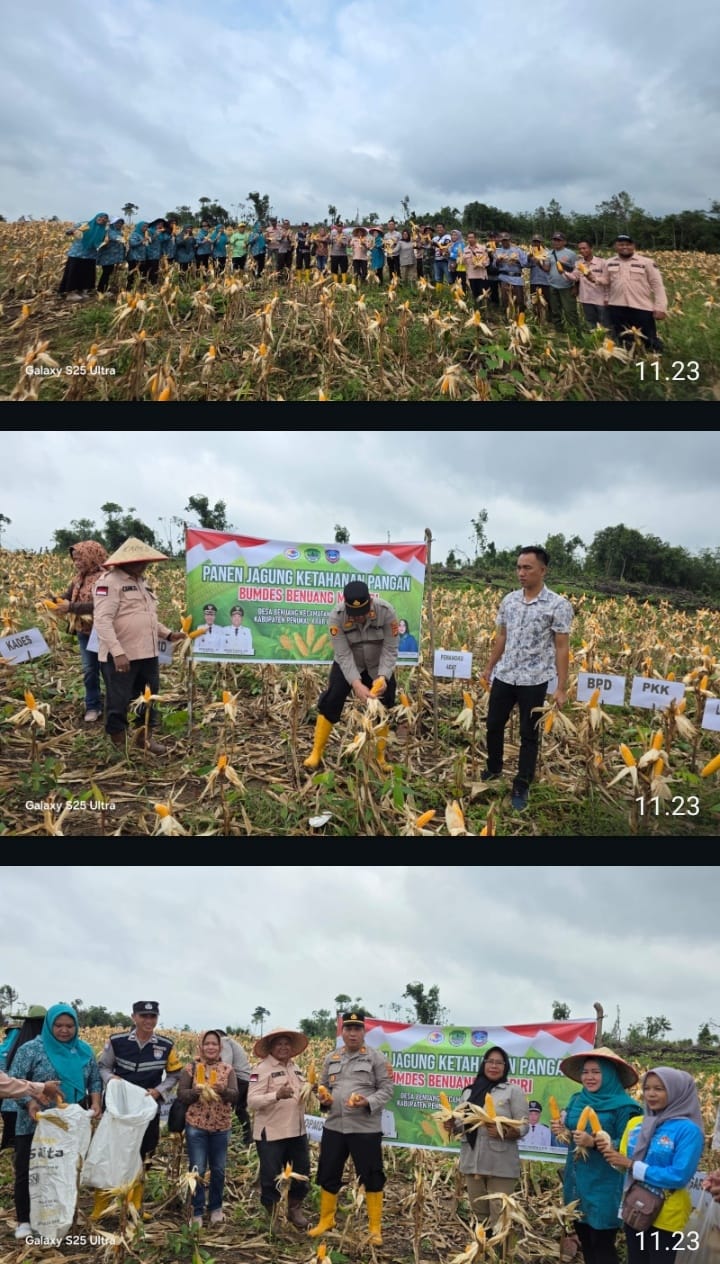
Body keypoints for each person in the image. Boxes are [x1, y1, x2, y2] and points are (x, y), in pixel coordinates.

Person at [481, 546, 573, 811]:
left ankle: (522, 783)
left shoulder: (558, 605)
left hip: (534, 680)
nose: (521, 573)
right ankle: (494, 767)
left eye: (527, 568)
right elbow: (502, 636)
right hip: (505, 674)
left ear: (542, 570)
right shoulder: (509, 600)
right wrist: (489, 667)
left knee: (528, 734)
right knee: (493, 724)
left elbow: (562, 647)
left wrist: (561, 687)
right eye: (519, 567)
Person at [10, 1004, 102, 1241]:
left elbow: (94, 1079)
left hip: (69, 1125)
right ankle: (24, 1220)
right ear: (49, 1025)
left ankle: (60, 1215)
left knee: (64, 1170)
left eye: (69, 1026)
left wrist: (95, 1102)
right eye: (58, 1025)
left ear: (76, 1027)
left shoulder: (83, 1050)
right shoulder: (31, 1049)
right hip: (34, 1122)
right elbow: (15, 1082)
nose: (64, 1030)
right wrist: (29, 1103)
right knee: (29, 1170)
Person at [596, 1067, 705, 1263]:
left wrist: (632, 1165)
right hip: (635, 1210)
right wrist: (612, 1156)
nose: (651, 1094)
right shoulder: (636, 1124)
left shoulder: (688, 1130)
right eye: (647, 1088)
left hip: (667, 1216)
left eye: (659, 1089)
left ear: (676, 1091)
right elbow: (624, 1164)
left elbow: (679, 1176)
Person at [308, 1010, 394, 1245]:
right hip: (335, 1126)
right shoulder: (332, 1058)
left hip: (364, 1128)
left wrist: (367, 1102)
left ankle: (374, 1229)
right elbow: (323, 1087)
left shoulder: (376, 1058)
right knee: (328, 1172)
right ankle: (326, 1220)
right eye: (348, 1029)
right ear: (342, 1031)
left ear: (364, 1032)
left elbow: (387, 1089)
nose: (352, 1033)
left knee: (371, 1175)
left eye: (357, 1029)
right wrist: (323, 1098)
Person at [92, 537, 184, 754]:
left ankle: (144, 739)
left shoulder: (142, 583)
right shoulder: (109, 583)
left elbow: (148, 617)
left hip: (148, 652)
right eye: (139, 562)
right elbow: (102, 621)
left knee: (149, 696)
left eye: (145, 562)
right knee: (119, 699)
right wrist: (118, 653)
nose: (144, 566)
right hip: (122, 655)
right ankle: (119, 743)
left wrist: (168, 634)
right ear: (124, 561)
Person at [550, 1047, 641, 1264]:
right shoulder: (577, 1100)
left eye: (596, 1072)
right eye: (585, 1072)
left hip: (605, 1183)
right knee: (585, 1240)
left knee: (602, 1244)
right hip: (576, 1181)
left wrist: (594, 1143)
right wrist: (562, 1131)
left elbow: (631, 1145)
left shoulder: (626, 1107)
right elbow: (573, 1132)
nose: (589, 1077)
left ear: (609, 1075)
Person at [97, 1000, 182, 1218]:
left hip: (147, 1108)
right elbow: (103, 1066)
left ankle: (134, 1204)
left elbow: (175, 1074)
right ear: (133, 1017)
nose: (148, 1020)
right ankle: (102, 1204)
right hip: (119, 1108)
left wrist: (159, 1091)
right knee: (112, 1152)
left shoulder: (166, 1045)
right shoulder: (116, 1041)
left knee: (145, 1152)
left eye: (153, 1016)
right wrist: (111, 1079)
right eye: (143, 1016)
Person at [303, 580, 399, 772]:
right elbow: (343, 654)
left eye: (363, 613)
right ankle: (316, 753)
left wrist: (383, 676)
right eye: (354, 614)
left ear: (370, 602)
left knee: (385, 702)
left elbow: (390, 649)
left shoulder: (387, 612)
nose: (359, 618)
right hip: (349, 663)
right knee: (331, 700)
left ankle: (379, 757)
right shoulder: (337, 617)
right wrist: (356, 684)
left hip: (377, 665)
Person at [451, 1046, 529, 1230]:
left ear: (505, 1067)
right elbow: (461, 1125)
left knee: (500, 1217)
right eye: (490, 1062)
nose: (494, 1066)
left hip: (500, 1163)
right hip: (473, 1161)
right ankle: (482, 1246)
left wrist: (505, 1132)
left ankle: (500, 1248)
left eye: (499, 1063)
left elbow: (524, 1125)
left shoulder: (513, 1091)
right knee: (480, 1215)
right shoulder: (469, 1092)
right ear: (483, 1064)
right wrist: (451, 1125)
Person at [248, 1027, 311, 1229]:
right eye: (279, 1044)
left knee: (302, 1173)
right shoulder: (259, 1070)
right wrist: (276, 1095)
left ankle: (294, 1208)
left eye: (287, 1044)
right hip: (271, 1133)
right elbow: (251, 1101)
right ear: (270, 1047)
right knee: (270, 1176)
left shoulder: (296, 1068)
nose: (283, 1047)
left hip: (297, 1132)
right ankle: (273, 1212)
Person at [177, 1030, 238, 1228]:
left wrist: (224, 1091)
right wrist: (195, 1092)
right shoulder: (191, 1068)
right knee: (198, 1169)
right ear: (201, 1046)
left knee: (218, 1169)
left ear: (220, 1047)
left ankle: (216, 1207)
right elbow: (181, 1094)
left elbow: (236, 1095)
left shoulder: (228, 1069)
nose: (210, 1047)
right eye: (207, 1043)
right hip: (196, 1126)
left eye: (214, 1044)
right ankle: (196, 1210)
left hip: (221, 1127)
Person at [52, 539, 108, 722]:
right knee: (89, 670)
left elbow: (101, 604)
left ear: (92, 557)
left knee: (109, 670)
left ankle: (115, 704)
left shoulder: (106, 578)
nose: (76, 563)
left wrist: (71, 607)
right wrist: (53, 601)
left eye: (80, 559)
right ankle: (93, 706)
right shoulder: (78, 578)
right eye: (74, 559)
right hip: (84, 632)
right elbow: (68, 596)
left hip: (104, 632)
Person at [604, 235, 668, 351]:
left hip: (641, 306)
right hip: (617, 306)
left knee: (649, 338)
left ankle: (654, 358)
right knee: (623, 338)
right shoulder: (609, 262)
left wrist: (661, 307)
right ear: (615, 247)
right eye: (621, 244)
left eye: (628, 244)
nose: (625, 247)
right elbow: (607, 283)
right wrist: (606, 298)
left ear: (633, 246)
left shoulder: (647, 262)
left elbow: (658, 286)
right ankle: (629, 357)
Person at [1, 1007, 48, 1152]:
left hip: (9, 1104)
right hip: (28, 1106)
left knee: (12, 1148)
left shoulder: (17, 1042)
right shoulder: (32, 1047)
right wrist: (42, 1088)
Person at [58, 212, 109, 298]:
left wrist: (104, 244)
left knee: (86, 274)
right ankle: (70, 293)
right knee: (74, 273)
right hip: (77, 254)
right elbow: (68, 232)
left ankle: (81, 291)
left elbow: (102, 242)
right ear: (96, 217)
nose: (102, 219)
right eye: (100, 217)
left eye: (105, 218)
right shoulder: (84, 224)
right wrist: (73, 231)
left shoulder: (104, 230)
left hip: (91, 255)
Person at [215, 1030, 252, 1144]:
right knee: (240, 1109)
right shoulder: (233, 1042)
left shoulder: (224, 1041)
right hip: (246, 1078)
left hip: (239, 1079)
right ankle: (247, 1137)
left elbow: (226, 1064)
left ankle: (231, 1138)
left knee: (230, 1108)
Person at [538, 232, 580, 331]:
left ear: (564, 242)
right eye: (554, 240)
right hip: (553, 286)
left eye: (559, 240)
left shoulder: (571, 254)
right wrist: (538, 263)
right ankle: (559, 329)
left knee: (570, 310)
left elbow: (578, 271)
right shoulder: (549, 254)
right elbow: (547, 269)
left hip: (567, 287)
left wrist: (576, 286)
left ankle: (575, 330)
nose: (556, 242)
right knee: (555, 310)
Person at [569, 240, 611, 328]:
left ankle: (606, 337)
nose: (582, 250)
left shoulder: (602, 262)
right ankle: (593, 336)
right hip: (586, 298)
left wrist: (607, 297)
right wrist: (563, 272)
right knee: (590, 322)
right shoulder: (578, 263)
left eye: (584, 248)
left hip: (600, 299)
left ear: (591, 248)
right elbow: (575, 277)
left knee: (604, 324)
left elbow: (607, 281)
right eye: (580, 249)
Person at [493, 231, 528, 313]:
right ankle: (507, 316)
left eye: (506, 240)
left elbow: (525, 263)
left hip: (516, 278)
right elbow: (494, 265)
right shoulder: (498, 251)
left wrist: (517, 260)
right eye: (502, 240)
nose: (504, 242)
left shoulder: (518, 250)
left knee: (519, 300)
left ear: (510, 240)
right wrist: (498, 261)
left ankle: (519, 316)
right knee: (505, 300)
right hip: (504, 278)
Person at [96, 217, 126, 293]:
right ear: (113, 223)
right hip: (107, 257)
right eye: (118, 223)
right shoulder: (109, 231)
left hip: (114, 258)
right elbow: (114, 237)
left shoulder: (120, 232)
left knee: (109, 273)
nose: (119, 225)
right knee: (106, 273)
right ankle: (101, 290)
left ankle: (106, 288)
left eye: (121, 223)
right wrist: (122, 239)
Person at [527, 236, 551, 322]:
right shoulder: (530, 254)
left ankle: (548, 320)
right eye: (534, 242)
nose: (536, 244)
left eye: (538, 242)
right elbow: (526, 265)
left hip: (546, 282)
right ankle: (537, 320)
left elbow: (548, 268)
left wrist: (539, 262)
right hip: (534, 281)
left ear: (541, 242)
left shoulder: (548, 253)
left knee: (547, 302)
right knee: (535, 301)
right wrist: (529, 258)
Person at [464, 233, 491, 305]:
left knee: (483, 294)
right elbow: (464, 262)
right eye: (469, 238)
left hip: (481, 276)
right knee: (474, 294)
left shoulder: (482, 248)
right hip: (471, 276)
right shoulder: (465, 250)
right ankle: (477, 308)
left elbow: (487, 261)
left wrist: (481, 264)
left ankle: (485, 309)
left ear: (476, 238)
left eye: (472, 237)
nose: (470, 239)